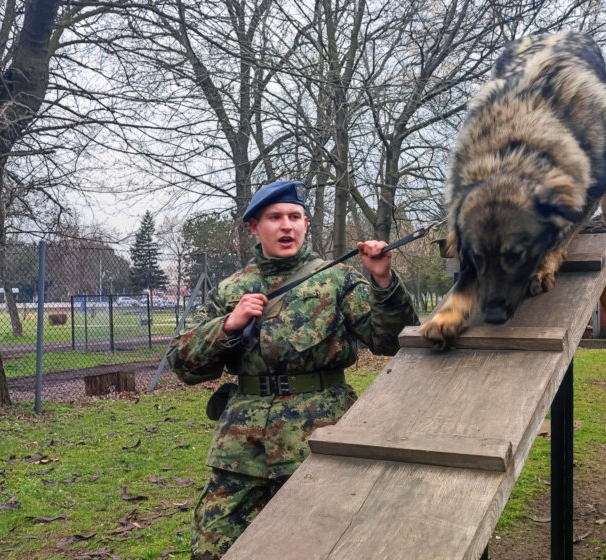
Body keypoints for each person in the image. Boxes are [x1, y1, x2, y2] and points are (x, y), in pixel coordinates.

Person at [165, 180, 419, 560]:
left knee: (324, 542)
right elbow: (183, 365)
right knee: (213, 547)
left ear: (305, 224)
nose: (287, 225)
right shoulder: (231, 289)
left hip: (320, 436)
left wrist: (382, 280)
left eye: (295, 217)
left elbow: (389, 341)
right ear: (255, 227)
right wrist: (228, 325)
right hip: (241, 448)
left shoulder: (336, 280)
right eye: (275, 217)